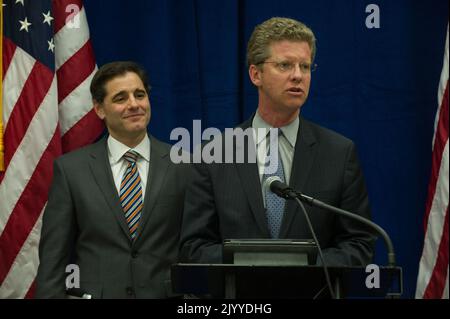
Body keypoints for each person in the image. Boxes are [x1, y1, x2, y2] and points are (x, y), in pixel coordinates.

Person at [179, 17, 375, 267]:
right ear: (255, 74)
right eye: (285, 65)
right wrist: (255, 265)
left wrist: (298, 267)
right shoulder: (214, 155)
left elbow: (359, 245)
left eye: (304, 66)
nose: (297, 76)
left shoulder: (339, 153)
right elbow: (194, 248)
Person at [35, 61, 189, 298]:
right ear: (99, 109)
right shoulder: (71, 171)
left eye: (140, 94)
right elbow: (53, 262)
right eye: (120, 98)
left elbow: (196, 248)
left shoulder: (185, 165)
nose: (134, 104)